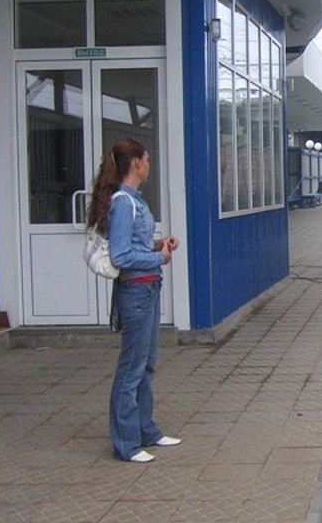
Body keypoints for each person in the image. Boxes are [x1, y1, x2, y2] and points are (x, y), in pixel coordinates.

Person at [86, 138, 181, 463]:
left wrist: (157, 245)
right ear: (136, 164)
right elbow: (122, 254)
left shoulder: (134, 201)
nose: (150, 165)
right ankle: (126, 443)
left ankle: (146, 430)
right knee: (131, 369)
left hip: (148, 288)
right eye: (147, 159)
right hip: (136, 292)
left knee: (147, 365)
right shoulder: (123, 203)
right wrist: (159, 258)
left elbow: (133, 245)